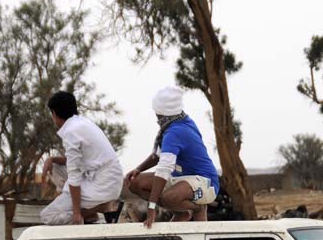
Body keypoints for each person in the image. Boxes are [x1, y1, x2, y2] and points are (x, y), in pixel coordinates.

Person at [125, 85, 219, 228]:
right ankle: (181, 212)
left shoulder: (175, 132)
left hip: (204, 181)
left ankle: (197, 208)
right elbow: (158, 156)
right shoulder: (178, 121)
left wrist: (152, 208)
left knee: (169, 198)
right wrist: (138, 169)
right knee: (134, 182)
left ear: (162, 113)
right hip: (180, 178)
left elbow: (163, 170)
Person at [40, 91, 123, 226]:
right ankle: (90, 212)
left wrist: (77, 213)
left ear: (54, 114)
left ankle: (99, 208)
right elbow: (77, 161)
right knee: (54, 167)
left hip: (103, 184)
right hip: (109, 178)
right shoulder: (81, 123)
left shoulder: (71, 132)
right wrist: (52, 159)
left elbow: (74, 177)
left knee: (47, 216)